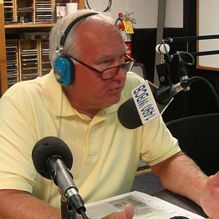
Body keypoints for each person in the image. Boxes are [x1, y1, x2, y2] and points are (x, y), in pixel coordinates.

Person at [0, 9, 218, 219]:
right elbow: (6, 198)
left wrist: (203, 190)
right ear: (63, 69)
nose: (120, 77)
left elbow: (167, 159)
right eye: (105, 64)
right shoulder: (22, 102)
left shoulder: (134, 89)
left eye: (122, 61)